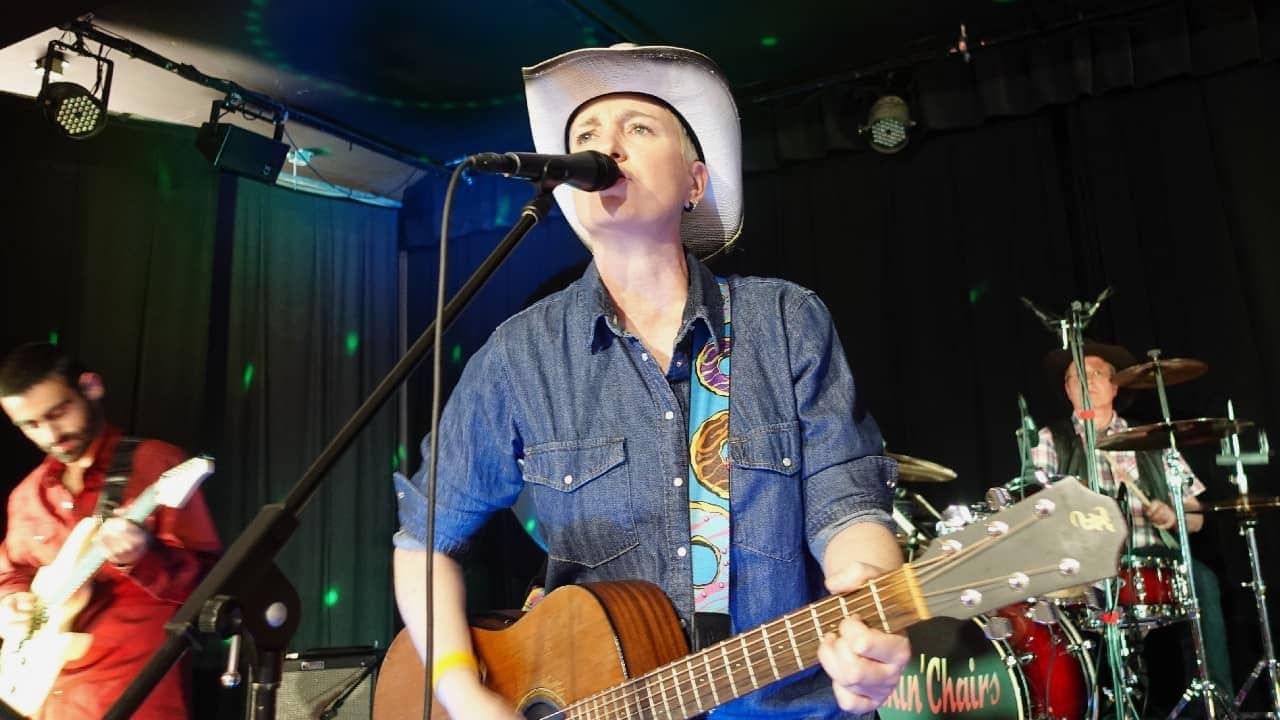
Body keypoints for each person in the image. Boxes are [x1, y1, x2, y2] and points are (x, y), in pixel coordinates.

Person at [391, 44, 909, 718]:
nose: (606, 145)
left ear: (695, 182)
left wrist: (869, 604)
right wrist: (464, 694)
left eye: (638, 126)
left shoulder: (784, 321)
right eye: (585, 136)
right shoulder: (520, 355)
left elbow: (849, 504)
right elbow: (424, 542)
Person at [0, 342, 222, 719]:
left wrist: (144, 555)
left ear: (91, 387)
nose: (50, 434)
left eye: (58, 412)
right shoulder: (26, 496)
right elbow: (10, 574)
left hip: (136, 697)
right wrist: (10, 604)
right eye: (32, 425)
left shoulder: (157, 465)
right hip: (50, 698)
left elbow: (211, 590)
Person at [1030, 341, 1233, 715]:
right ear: (1067, 390)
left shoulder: (1153, 440)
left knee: (1203, 580)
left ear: (1115, 385)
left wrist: (1173, 516)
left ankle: (1212, 703)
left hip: (1157, 561)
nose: (1086, 381)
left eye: (1096, 374)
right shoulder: (1051, 440)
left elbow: (1197, 517)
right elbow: (1037, 512)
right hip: (1086, 564)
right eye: (1077, 377)